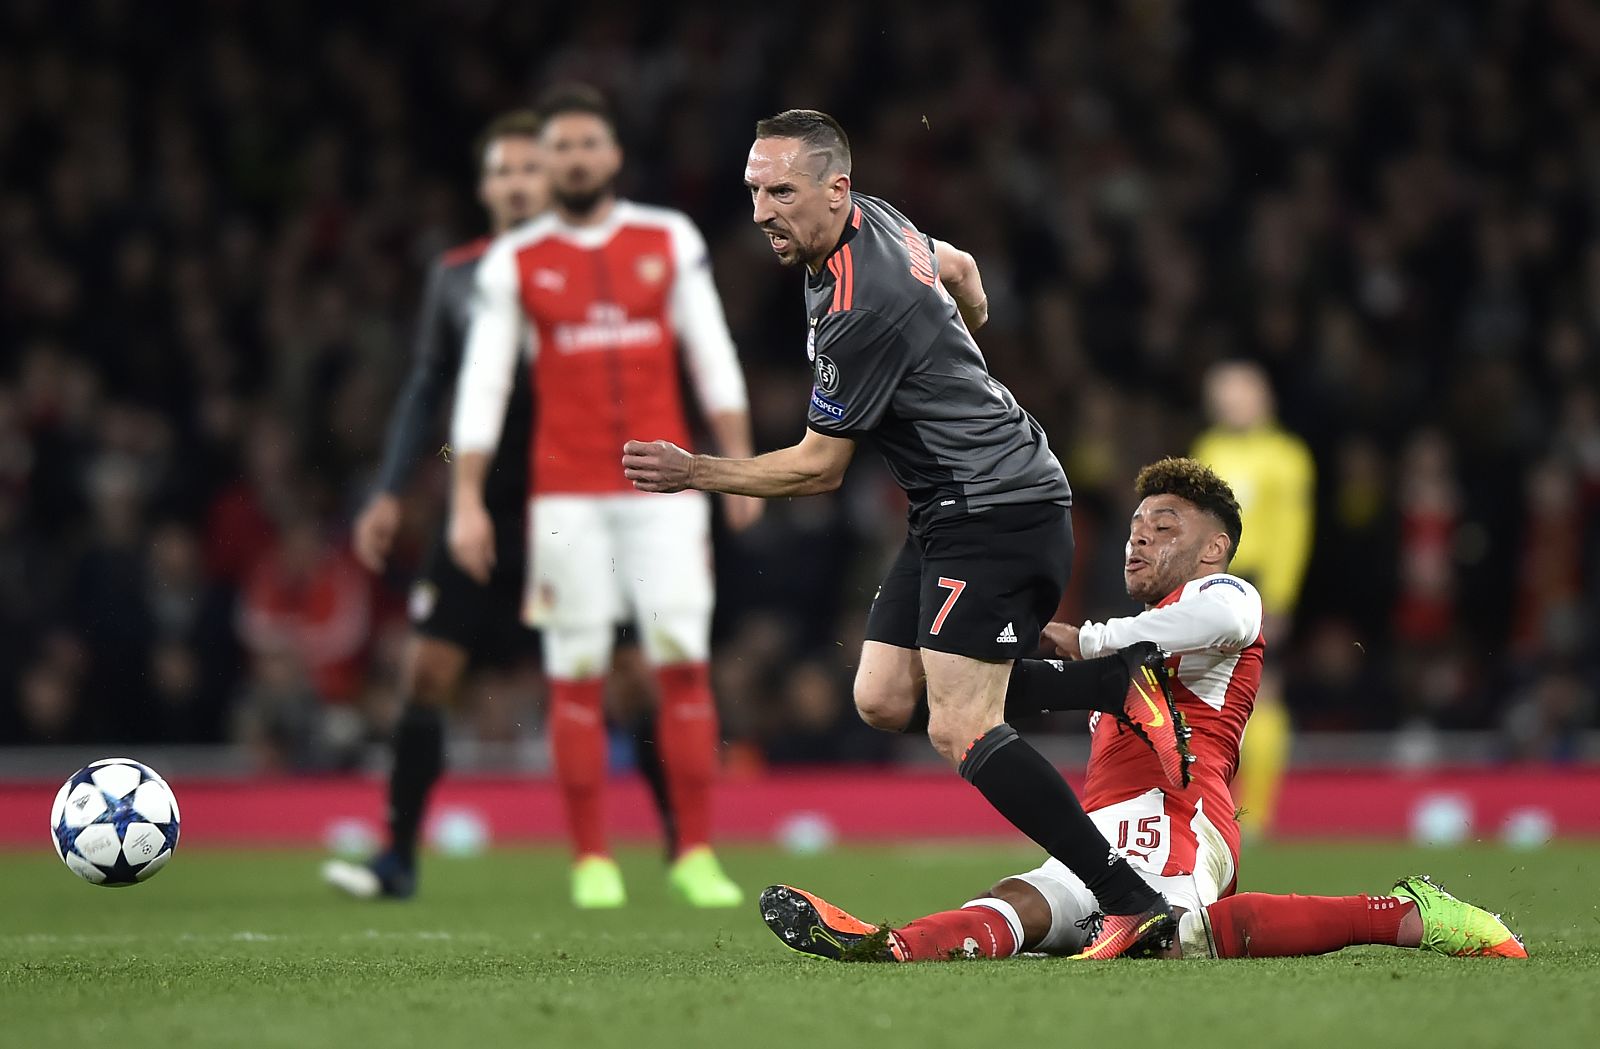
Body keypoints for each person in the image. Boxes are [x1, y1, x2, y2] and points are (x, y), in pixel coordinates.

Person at [623, 109, 1194, 959]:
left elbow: (819, 469)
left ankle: (1131, 901)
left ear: (835, 189)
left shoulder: (861, 305)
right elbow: (960, 266)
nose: (761, 212)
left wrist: (695, 470)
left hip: (997, 507)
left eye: (781, 193)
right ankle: (1110, 683)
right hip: (948, 506)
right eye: (754, 190)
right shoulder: (876, 218)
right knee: (883, 697)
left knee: (962, 726)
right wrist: (966, 329)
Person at [756, 458, 1525, 962]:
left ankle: (1403, 912)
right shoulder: (1128, 635)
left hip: (1185, 820)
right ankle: (892, 944)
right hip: (1097, 830)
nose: (1140, 539)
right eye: (1136, 527)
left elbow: (1220, 617)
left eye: (1165, 528)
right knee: (1020, 903)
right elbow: (1005, 691)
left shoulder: (1222, 598)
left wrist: (1093, 639)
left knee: (1177, 936)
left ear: (1212, 548)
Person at [322, 110, 678, 902]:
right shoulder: (457, 276)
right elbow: (426, 389)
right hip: (477, 505)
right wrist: (391, 489)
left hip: (575, 506)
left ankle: (682, 843)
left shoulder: (593, 267)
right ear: (485, 187)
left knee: (631, 681)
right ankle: (397, 858)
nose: (518, 183)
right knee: (426, 672)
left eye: (530, 169)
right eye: (503, 171)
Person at [451, 85, 757, 909]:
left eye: (590, 144)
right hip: (567, 499)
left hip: (666, 488)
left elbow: (711, 353)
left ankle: (695, 851)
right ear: (545, 162)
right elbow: (484, 383)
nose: (577, 159)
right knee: (575, 672)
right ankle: (591, 856)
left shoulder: (668, 237)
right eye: (562, 148)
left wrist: (733, 464)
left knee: (683, 665)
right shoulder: (515, 261)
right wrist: (466, 497)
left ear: (615, 154)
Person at [1192, 360, 1315, 840]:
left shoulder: (1287, 457)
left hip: (1257, 582)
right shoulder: (1209, 449)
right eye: (1222, 394)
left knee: (1263, 692)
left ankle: (1258, 814)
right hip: (1210, 582)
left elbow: (1292, 532)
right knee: (1203, 694)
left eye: (1239, 393)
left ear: (1263, 397)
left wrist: (1280, 597)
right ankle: (1210, 807)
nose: (1230, 403)